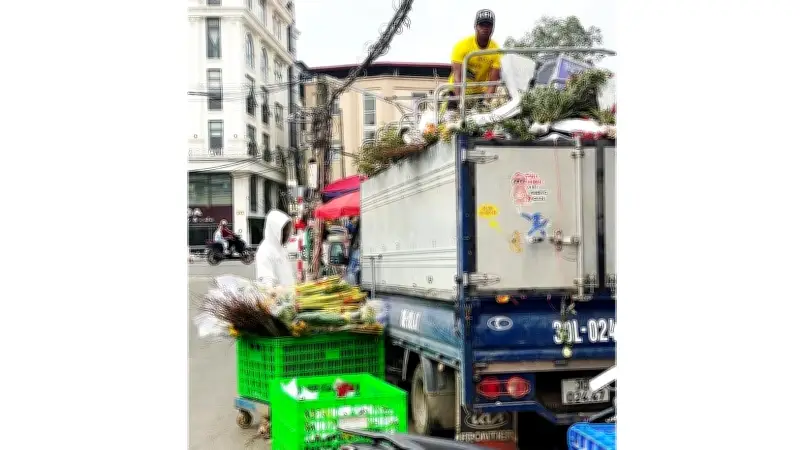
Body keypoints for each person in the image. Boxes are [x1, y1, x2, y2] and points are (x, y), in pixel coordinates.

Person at [444, 9, 502, 112]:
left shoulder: (496, 50)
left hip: (479, 93)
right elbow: (458, 77)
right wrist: (460, 104)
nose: (485, 28)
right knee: (451, 122)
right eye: (481, 25)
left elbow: (493, 82)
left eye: (488, 25)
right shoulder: (461, 46)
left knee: (480, 123)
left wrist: (485, 103)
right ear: (475, 26)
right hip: (457, 91)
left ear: (492, 28)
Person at [255, 209, 296, 288]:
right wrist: (279, 291)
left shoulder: (281, 249)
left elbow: (287, 274)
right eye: (284, 230)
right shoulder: (264, 251)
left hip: (288, 296)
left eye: (288, 230)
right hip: (277, 298)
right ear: (275, 229)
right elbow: (266, 282)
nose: (287, 233)